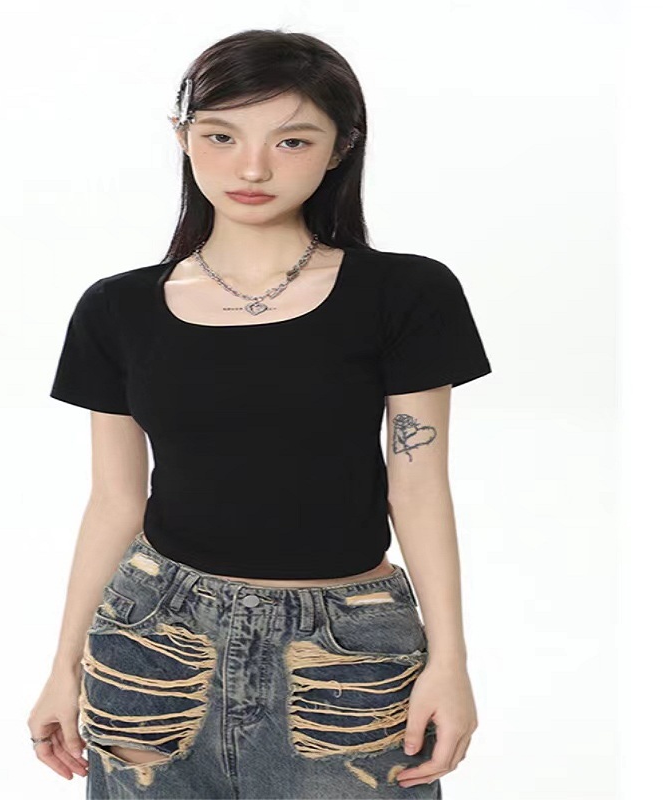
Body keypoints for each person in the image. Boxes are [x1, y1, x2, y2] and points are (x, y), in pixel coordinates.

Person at [28, 28, 491, 800]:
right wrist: (63, 665)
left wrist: (450, 662)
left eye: (292, 141)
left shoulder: (407, 294)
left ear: (341, 148)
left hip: (342, 655)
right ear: (182, 137)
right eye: (221, 135)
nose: (251, 168)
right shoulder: (117, 308)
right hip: (151, 644)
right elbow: (115, 499)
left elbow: (416, 488)